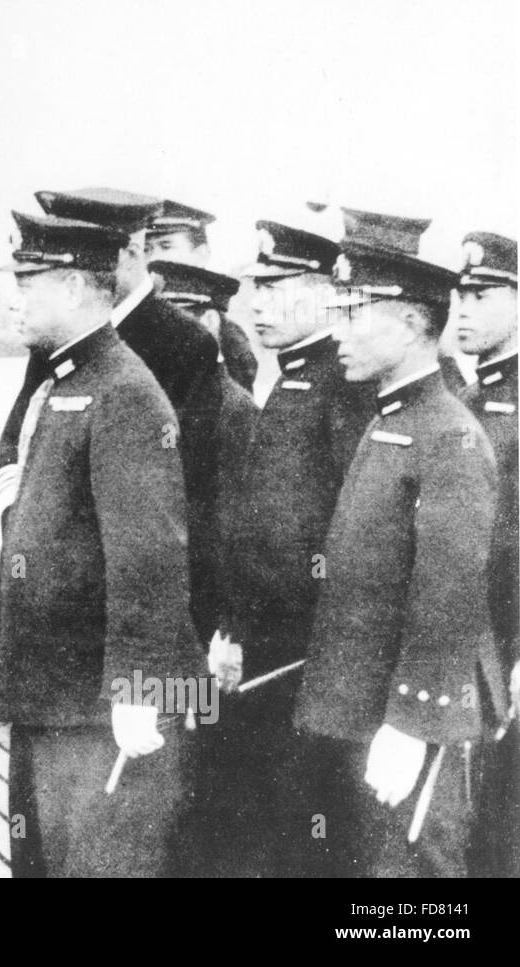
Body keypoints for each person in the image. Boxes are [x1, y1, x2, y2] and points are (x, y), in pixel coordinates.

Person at [293, 208, 508, 877]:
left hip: (412, 714)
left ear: (415, 323)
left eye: (359, 312)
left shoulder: (448, 434)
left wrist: (415, 721)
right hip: (365, 705)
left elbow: (451, 592)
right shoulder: (393, 418)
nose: (341, 331)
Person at [0, 211, 200, 877]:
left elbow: (149, 552)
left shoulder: (125, 393)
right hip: (51, 694)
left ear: (79, 287)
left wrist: (138, 686)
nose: (12, 296)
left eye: (28, 281)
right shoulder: (66, 381)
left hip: (97, 706)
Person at [202, 221, 375, 875]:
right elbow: (261, 530)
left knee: (305, 841)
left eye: (276, 288)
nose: (258, 304)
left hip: (306, 660)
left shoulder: (346, 385)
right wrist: (234, 625)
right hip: (261, 652)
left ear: (323, 293)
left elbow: (351, 536)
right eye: (256, 289)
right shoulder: (290, 380)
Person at [33, 187, 224, 644]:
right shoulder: (57, 336)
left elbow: (194, 489)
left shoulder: (185, 344)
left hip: (135, 606)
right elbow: (16, 444)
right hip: (62, 597)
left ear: (131, 252)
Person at [452, 230, 519, 877]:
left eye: (482, 293)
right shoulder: (468, 401)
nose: (463, 308)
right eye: (459, 294)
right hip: (472, 650)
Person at [146, 198, 258, 392]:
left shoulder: (226, 334)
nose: (153, 258)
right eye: (147, 249)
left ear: (201, 255)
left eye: (166, 246)